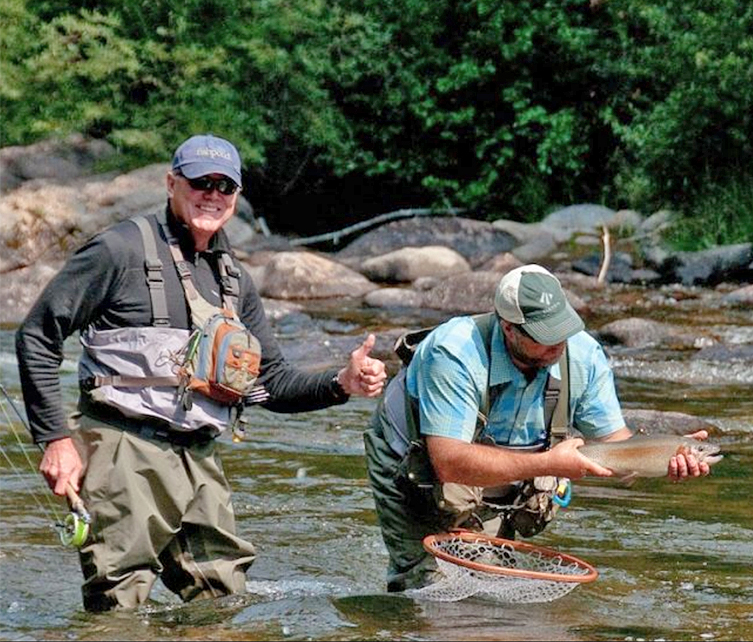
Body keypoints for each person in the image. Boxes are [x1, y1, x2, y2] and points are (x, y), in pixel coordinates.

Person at [15, 133, 388, 612]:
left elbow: (270, 384)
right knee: (119, 603)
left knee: (222, 599)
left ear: (236, 197)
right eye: (200, 182)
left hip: (200, 457)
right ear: (172, 182)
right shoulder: (118, 250)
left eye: (225, 186)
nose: (212, 194)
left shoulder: (233, 278)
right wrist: (56, 440)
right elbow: (37, 336)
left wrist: (341, 384)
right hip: (123, 448)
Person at [363, 264, 711, 592]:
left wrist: (666, 456)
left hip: (498, 474)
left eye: (562, 328)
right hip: (412, 465)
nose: (558, 343)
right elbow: (448, 463)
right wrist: (549, 464)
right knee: (429, 590)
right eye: (545, 335)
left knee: (489, 587)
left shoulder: (583, 356)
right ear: (508, 327)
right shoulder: (454, 352)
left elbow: (616, 446)